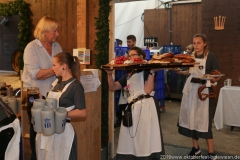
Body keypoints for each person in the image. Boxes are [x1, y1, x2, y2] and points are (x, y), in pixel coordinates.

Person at [105, 46, 164, 159]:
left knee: (144, 137)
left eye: (134, 55)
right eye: (130, 55)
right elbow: (113, 86)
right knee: (129, 138)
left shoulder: (146, 69)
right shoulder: (129, 72)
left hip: (146, 106)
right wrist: (108, 74)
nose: (131, 57)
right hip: (132, 108)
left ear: (141, 56)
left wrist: (152, 72)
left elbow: (147, 90)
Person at [21, 16, 62, 160]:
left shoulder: (57, 47)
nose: (57, 34)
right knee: (37, 129)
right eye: (54, 31)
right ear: (44, 32)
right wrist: (57, 68)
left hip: (52, 94)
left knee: (51, 126)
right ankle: (36, 156)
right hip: (34, 95)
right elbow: (36, 74)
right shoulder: (31, 48)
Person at [176, 34, 221, 160]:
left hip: (204, 92)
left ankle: (211, 153)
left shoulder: (211, 57)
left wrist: (209, 77)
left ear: (204, 43)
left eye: (199, 43)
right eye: (194, 43)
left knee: (204, 121)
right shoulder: (191, 57)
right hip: (191, 90)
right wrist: (180, 72)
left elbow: (217, 75)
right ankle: (196, 149)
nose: (196, 45)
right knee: (192, 119)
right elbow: (190, 72)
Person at [36, 51, 86, 159]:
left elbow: (82, 112)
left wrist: (61, 114)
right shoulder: (56, 83)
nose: (52, 68)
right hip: (50, 131)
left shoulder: (75, 86)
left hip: (64, 133)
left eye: (54, 65)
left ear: (64, 66)